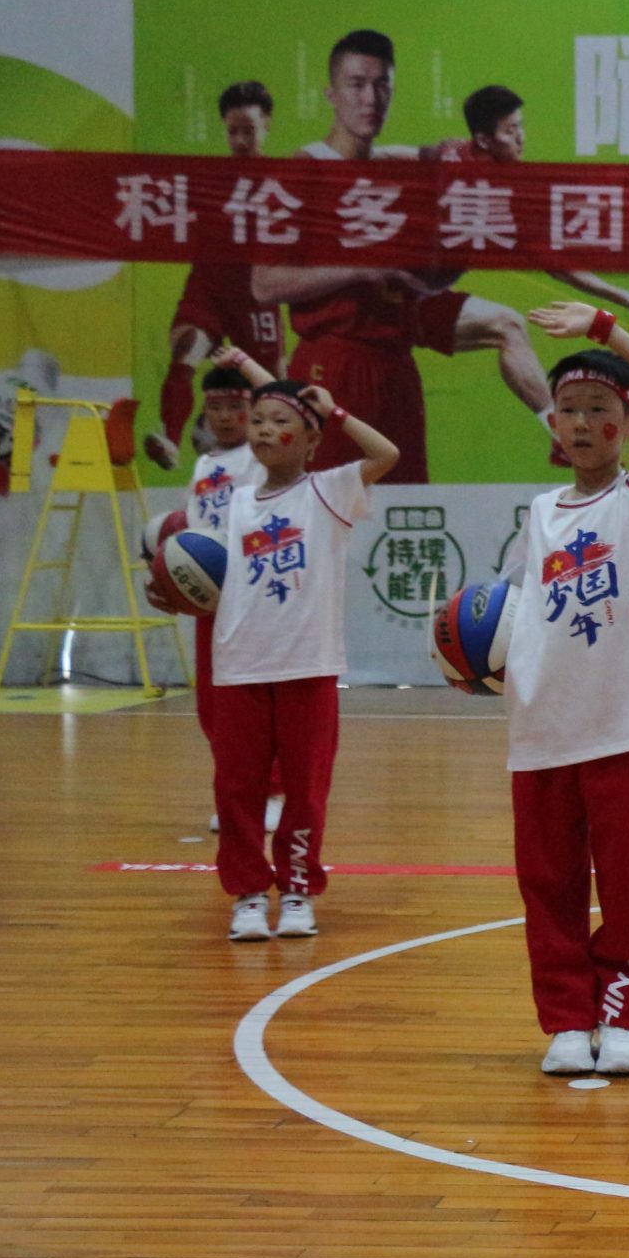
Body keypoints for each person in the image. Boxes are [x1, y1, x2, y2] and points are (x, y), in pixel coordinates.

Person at [508, 301, 629, 1078]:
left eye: (599, 408)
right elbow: (519, 611)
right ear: (552, 423)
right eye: (569, 409)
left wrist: (602, 328)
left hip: (627, 725)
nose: (582, 422)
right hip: (540, 726)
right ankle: (564, 1018)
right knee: (548, 884)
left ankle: (622, 1014)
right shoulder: (540, 511)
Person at [150, 378, 400, 941]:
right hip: (239, 664)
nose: (263, 429)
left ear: (311, 440)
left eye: (279, 421)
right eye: (258, 420)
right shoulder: (235, 502)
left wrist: (336, 410)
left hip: (308, 665)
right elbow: (209, 578)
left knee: (306, 791)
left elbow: (386, 453)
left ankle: (296, 890)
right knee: (236, 790)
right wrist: (170, 588)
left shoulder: (329, 491)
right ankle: (246, 895)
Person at [251, 29, 548, 484]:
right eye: (357, 85)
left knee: (409, 508)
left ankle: (555, 428)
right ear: (331, 94)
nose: (371, 98)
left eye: (382, 85)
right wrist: (361, 268)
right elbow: (264, 284)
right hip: (334, 364)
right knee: (332, 505)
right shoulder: (302, 172)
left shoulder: (401, 168)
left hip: (397, 361)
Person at [146, 82, 284, 471]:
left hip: (256, 297)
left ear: (267, 125)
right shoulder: (205, 179)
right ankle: (170, 439)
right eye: (232, 131)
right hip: (207, 290)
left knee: (273, 385)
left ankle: (281, 463)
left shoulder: (281, 181)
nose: (240, 140)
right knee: (186, 348)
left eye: (249, 130)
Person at [180, 350, 281, 839]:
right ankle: (238, 794)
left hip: (253, 595)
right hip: (209, 599)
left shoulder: (260, 456)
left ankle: (274, 793)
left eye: (235, 407)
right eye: (215, 408)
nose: (225, 417)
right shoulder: (203, 463)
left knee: (257, 701)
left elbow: (282, 397)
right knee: (213, 705)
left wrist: (245, 364)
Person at [449, 84, 629, 318]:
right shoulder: (490, 194)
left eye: (520, 126)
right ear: (484, 140)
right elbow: (555, 264)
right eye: (510, 131)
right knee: (506, 325)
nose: (521, 138)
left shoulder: (460, 151)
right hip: (416, 286)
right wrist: (627, 298)